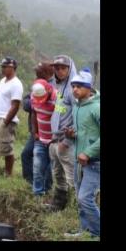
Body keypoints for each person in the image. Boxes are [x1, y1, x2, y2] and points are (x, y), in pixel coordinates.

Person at [65, 71, 100, 238]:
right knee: (80, 198)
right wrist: (72, 135)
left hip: (95, 161)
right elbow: (85, 132)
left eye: (79, 86)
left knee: (85, 198)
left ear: (88, 88)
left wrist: (88, 152)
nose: (74, 89)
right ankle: (85, 231)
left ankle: (97, 232)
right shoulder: (77, 107)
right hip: (79, 160)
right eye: (73, 86)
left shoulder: (97, 107)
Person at [48, 54, 79, 212]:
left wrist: (66, 141)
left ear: (70, 68)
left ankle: (75, 209)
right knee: (57, 173)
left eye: (63, 68)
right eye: (57, 68)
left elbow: (77, 116)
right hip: (55, 138)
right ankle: (59, 203)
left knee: (71, 175)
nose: (59, 71)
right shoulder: (58, 86)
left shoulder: (74, 89)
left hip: (66, 141)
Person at [0, 57, 23, 177]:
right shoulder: (3, 81)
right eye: (2, 66)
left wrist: (6, 122)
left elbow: (15, 105)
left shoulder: (16, 84)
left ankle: (8, 175)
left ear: (12, 68)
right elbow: (0, 101)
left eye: (4, 67)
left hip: (6, 121)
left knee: (7, 150)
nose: (2, 69)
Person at [30, 73, 57, 197]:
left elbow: (63, 116)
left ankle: (49, 193)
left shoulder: (58, 98)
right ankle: (38, 195)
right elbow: (34, 114)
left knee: (51, 170)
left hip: (54, 140)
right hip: (40, 139)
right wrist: (34, 132)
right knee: (37, 168)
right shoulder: (33, 96)